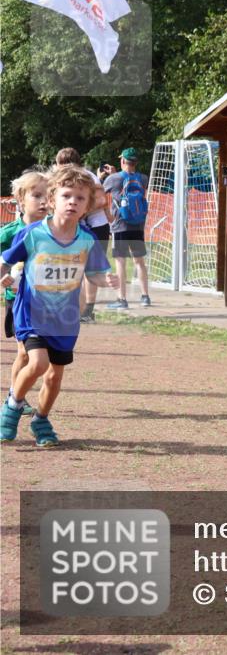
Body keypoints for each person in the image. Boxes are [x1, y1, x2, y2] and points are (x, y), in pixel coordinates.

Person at [0, 166, 118, 446]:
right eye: (66, 196)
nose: (73, 202)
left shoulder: (88, 241)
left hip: (64, 319)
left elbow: (94, 275)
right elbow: (5, 262)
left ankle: (41, 419)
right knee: (38, 362)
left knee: (54, 376)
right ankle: (12, 407)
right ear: (52, 200)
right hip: (32, 312)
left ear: (88, 206)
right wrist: (3, 276)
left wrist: (107, 280)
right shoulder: (32, 234)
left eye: (80, 198)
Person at [1, 169, 50, 417]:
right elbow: (1, 263)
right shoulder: (10, 233)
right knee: (23, 352)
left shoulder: (54, 231)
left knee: (43, 358)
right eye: (37, 195)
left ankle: (16, 394)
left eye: (48, 195)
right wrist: (3, 277)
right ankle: (14, 396)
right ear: (21, 199)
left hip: (45, 303)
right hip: (17, 302)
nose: (44, 201)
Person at [53, 147, 110, 322]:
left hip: (97, 227)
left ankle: (87, 311)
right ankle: (73, 308)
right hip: (79, 227)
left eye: (65, 166)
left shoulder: (88, 176)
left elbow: (101, 200)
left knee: (91, 270)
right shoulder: (64, 178)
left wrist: (81, 212)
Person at [102, 147, 151, 310]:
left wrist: (106, 175)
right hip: (137, 225)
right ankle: (145, 297)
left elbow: (100, 192)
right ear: (136, 162)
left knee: (120, 262)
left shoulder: (113, 179)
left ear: (122, 160)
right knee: (139, 261)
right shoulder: (143, 178)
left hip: (120, 225)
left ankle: (121, 299)